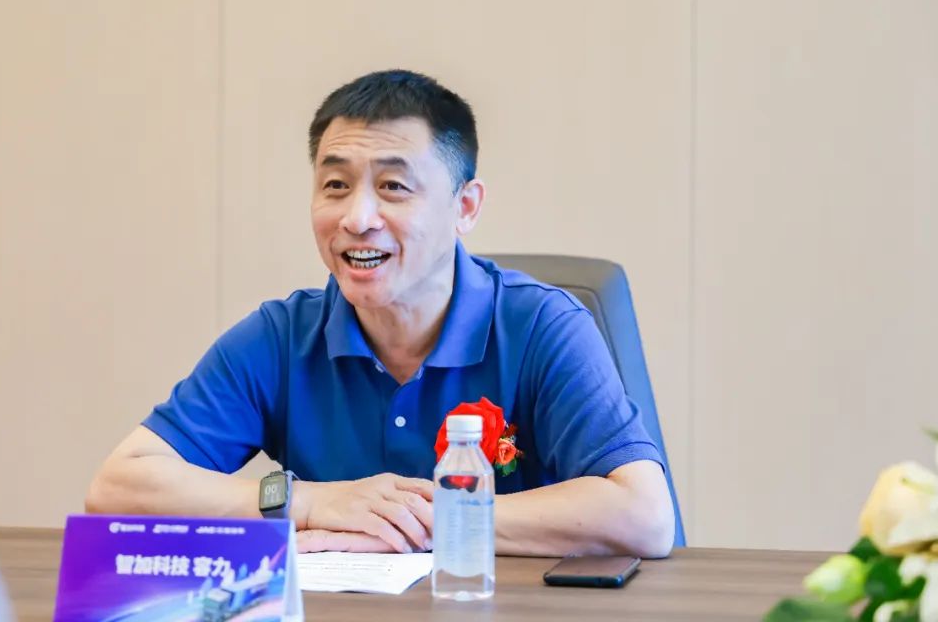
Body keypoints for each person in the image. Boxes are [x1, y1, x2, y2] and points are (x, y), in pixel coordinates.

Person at [86, 70, 675, 558]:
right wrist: (310, 502)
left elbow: (645, 515)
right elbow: (116, 489)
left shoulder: (542, 327)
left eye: (393, 187)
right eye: (335, 185)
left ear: (465, 207)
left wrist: (424, 520)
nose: (357, 217)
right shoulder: (280, 338)